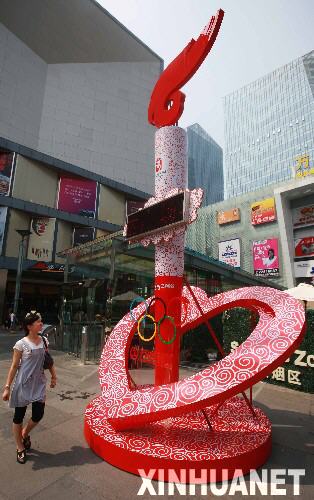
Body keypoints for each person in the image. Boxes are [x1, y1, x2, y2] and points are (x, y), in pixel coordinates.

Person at [2, 311, 57, 464]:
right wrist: (7, 387)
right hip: (23, 384)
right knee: (18, 417)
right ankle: (20, 447)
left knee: (38, 414)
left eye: (41, 321)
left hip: (39, 384)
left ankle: (24, 433)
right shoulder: (21, 344)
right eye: (39, 322)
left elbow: (48, 360)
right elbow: (14, 366)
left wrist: (53, 376)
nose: (41, 324)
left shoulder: (44, 340)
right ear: (29, 326)